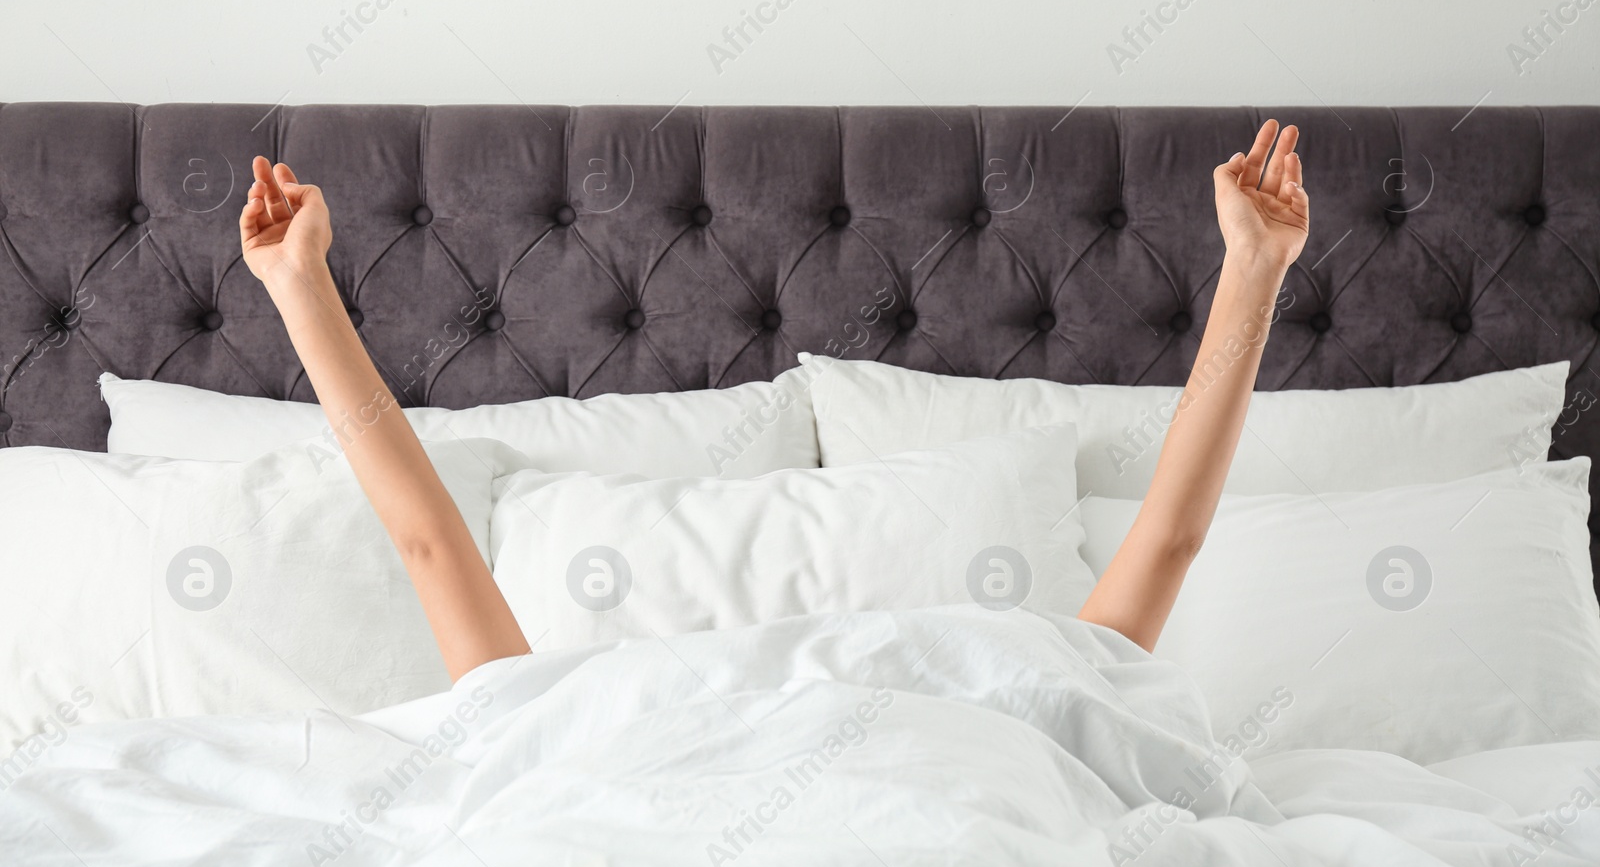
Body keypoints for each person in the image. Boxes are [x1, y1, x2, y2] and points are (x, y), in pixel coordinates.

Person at [240, 120, 1308, 677]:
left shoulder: (557, 722)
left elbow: (428, 541)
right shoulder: (1035, 700)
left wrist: (303, 291)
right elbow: (1170, 539)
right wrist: (1252, 273)